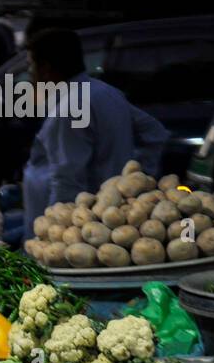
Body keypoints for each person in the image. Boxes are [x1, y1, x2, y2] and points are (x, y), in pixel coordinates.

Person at [22, 29, 169, 233]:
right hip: (104, 215)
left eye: (31, 67)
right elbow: (156, 133)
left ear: (45, 68)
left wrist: (55, 231)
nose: (30, 75)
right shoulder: (106, 92)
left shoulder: (70, 108)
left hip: (74, 225)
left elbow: (67, 178)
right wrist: (136, 181)